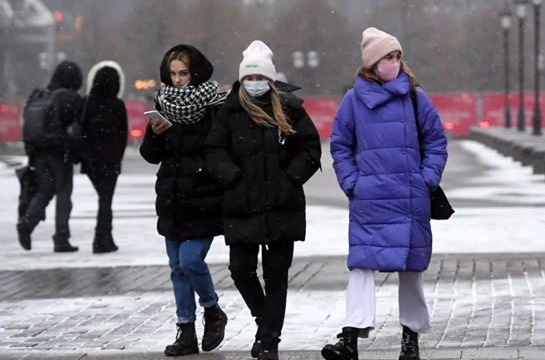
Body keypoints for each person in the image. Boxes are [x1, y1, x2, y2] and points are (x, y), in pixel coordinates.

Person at [323, 28, 448, 360]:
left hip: (408, 197)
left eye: (396, 57)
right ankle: (349, 338)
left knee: (410, 271)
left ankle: (410, 340)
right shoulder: (352, 100)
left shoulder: (416, 97)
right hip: (370, 198)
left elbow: (436, 142)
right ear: (371, 63)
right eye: (387, 58)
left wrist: (426, 180)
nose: (394, 63)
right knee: (361, 267)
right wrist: (352, 183)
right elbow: (340, 146)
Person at [206, 40, 321, 360]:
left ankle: (269, 340)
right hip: (241, 205)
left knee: (276, 276)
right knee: (240, 270)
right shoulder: (229, 111)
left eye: (260, 79)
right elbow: (214, 150)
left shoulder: (290, 109)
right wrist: (234, 177)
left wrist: (288, 180)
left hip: (282, 205)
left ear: (270, 80)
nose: (254, 84)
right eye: (249, 79)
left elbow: (310, 149)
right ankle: (264, 320)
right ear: (241, 80)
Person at [140, 44, 228, 357]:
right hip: (173, 197)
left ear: (196, 72)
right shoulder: (163, 103)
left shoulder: (215, 103)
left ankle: (213, 310)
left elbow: (222, 148)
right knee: (177, 268)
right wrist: (155, 133)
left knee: (191, 261)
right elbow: (150, 156)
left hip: (203, 197)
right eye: (173, 73)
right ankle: (186, 329)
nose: (177, 80)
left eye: (184, 73)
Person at [17, 60, 85, 252]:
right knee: (64, 194)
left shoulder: (40, 95)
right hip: (60, 153)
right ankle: (61, 238)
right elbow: (80, 126)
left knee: (44, 191)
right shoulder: (70, 97)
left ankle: (27, 222)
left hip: (38, 153)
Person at [81, 61, 128, 254]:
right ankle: (102, 238)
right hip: (110, 159)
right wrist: (117, 156)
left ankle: (104, 237)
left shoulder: (88, 103)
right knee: (106, 199)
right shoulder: (117, 105)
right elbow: (122, 133)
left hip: (92, 159)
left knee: (104, 198)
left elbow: (83, 131)